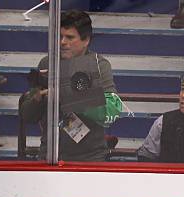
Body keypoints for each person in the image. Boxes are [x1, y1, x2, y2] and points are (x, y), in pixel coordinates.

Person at [20, 10, 122, 162]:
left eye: (69, 37)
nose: (62, 42)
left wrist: (70, 94)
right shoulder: (47, 63)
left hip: (89, 159)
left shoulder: (99, 66)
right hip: (49, 156)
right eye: (60, 36)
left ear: (86, 40)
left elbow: (111, 112)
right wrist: (36, 99)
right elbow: (28, 115)